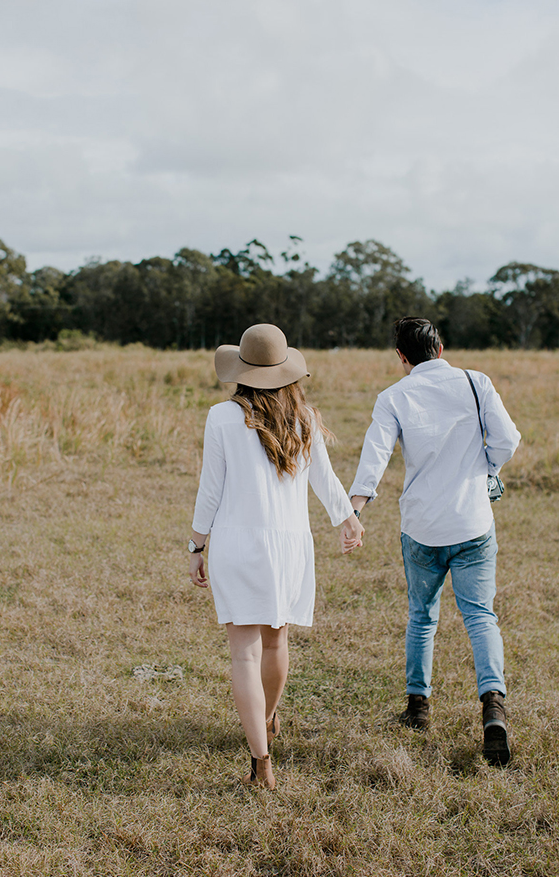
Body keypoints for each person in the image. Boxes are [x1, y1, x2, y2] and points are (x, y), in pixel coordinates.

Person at [189, 323, 363, 789]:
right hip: (290, 545)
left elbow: (211, 489)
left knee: (243, 655)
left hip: (238, 543)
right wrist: (348, 519)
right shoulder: (304, 418)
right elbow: (325, 479)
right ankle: (265, 719)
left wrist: (196, 544)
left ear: (241, 371)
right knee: (275, 643)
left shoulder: (222, 416)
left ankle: (261, 762)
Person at [349, 317, 520, 766]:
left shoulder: (394, 396)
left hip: (421, 528)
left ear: (402, 358)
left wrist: (355, 511)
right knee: (481, 616)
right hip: (472, 523)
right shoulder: (475, 381)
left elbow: (375, 457)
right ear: (440, 348)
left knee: (422, 618)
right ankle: (493, 707)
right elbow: (507, 438)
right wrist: (488, 467)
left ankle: (418, 709)